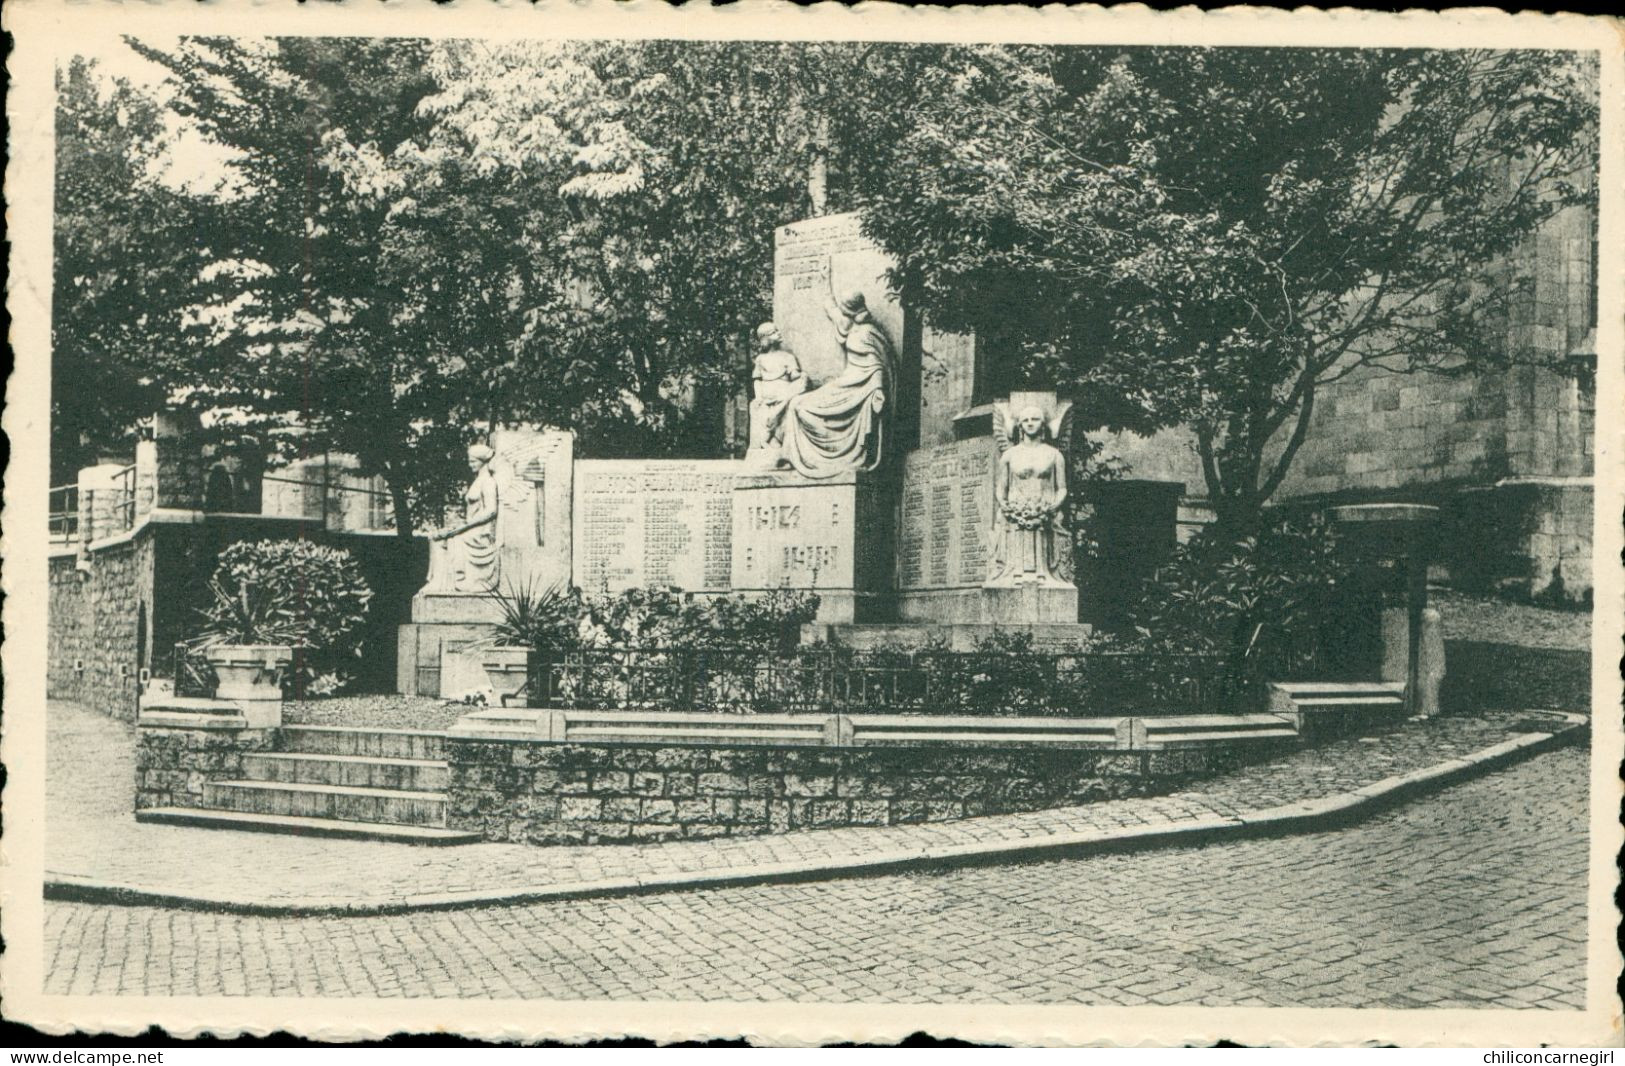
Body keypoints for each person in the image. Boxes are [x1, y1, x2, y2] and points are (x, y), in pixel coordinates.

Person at [777, 260, 893, 479]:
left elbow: (877, 365)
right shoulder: (850, 326)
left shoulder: (867, 334)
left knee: (800, 406)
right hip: (844, 384)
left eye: (843, 307)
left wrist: (877, 391)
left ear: (850, 310)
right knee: (798, 405)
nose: (840, 310)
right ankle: (809, 456)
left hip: (857, 390)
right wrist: (825, 281)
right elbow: (830, 309)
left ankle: (833, 455)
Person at [986, 405, 1071, 587]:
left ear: (1043, 424)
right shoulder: (1009, 455)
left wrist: (1053, 506)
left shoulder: (1054, 454)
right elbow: (1001, 488)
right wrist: (1004, 504)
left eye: (1035, 419)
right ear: (1020, 426)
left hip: (1046, 515)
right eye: (1026, 420)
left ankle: (1046, 574)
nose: (1030, 423)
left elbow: (1062, 488)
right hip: (1016, 516)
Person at [430, 443, 500, 593]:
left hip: (481, 533)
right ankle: (438, 583)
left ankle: (457, 582)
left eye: (473, 461)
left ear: (483, 461)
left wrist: (463, 527)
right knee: (436, 538)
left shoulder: (488, 482)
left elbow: (491, 511)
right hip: (471, 528)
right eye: (469, 461)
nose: (470, 465)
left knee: (452, 539)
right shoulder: (477, 481)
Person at [746, 321, 806, 464]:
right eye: (773, 332)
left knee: (787, 403)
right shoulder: (761, 359)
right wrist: (758, 397)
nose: (778, 334)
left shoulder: (787, 357)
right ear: (765, 338)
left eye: (777, 331)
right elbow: (757, 379)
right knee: (759, 408)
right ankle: (768, 438)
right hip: (767, 394)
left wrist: (801, 376)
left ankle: (775, 436)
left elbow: (794, 375)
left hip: (783, 392)